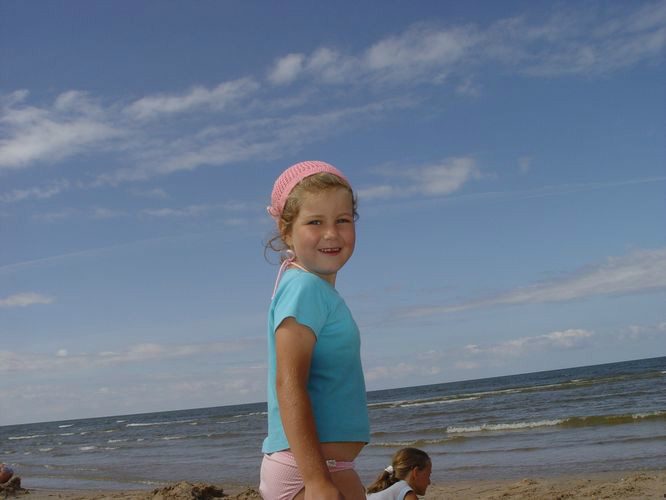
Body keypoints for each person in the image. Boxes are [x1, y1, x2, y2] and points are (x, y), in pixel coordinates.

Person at [259, 161, 370, 500]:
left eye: (343, 220)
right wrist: (317, 480)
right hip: (308, 470)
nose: (331, 233)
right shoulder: (304, 288)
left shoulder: (316, 290)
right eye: (315, 222)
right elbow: (289, 383)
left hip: (327, 466)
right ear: (285, 229)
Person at [366, 448, 432, 499]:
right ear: (416, 472)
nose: (429, 482)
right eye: (428, 476)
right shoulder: (407, 493)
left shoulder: (379, 492)